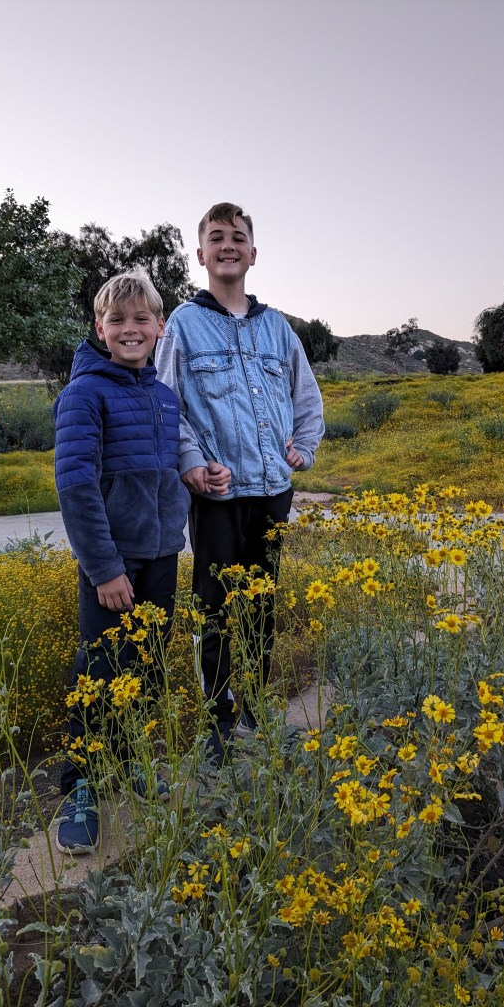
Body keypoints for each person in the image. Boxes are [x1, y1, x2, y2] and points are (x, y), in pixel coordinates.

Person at [154, 202, 324, 759]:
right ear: (200, 253)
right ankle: (219, 721)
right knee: (216, 605)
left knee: (261, 602)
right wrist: (191, 464)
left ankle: (254, 700)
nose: (228, 245)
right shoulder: (182, 323)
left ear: (253, 254)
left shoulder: (277, 327)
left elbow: (306, 396)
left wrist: (303, 446)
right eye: (217, 237)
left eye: (238, 237)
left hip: (274, 488)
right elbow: (166, 402)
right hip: (218, 494)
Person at [53, 271, 210, 854]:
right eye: (117, 320)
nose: (130, 329)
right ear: (100, 328)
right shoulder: (84, 394)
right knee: (98, 672)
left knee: (145, 668)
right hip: (112, 564)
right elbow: (77, 488)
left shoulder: (164, 398)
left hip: (162, 555)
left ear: (160, 328)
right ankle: (82, 786)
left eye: (142, 319)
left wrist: (200, 477)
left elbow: (165, 473)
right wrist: (105, 568)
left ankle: (131, 762)